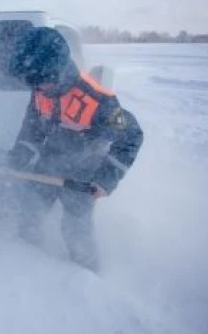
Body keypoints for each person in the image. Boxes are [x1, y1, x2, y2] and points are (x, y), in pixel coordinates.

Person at [7, 27, 144, 272]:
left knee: (76, 229)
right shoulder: (40, 89)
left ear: (57, 72)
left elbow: (132, 136)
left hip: (83, 174)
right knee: (30, 211)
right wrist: (20, 155)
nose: (35, 88)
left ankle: (87, 276)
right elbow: (32, 128)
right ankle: (26, 263)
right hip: (48, 164)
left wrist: (105, 180)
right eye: (31, 83)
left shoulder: (100, 100)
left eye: (39, 82)